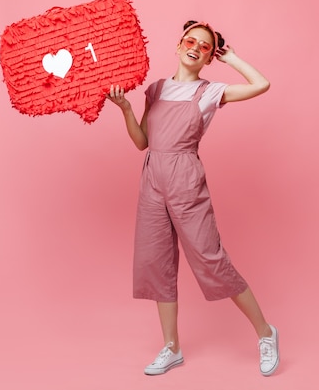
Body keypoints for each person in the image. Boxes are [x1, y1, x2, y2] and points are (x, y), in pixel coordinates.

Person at [106, 20, 279, 377]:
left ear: (208, 57)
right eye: (190, 40)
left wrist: (231, 57)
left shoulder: (211, 92)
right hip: (152, 177)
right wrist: (124, 109)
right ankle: (172, 347)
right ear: (178, 45)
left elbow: (262, 84)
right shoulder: (154, 89)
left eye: (204, 46)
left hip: (185, 177)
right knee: (156, 262)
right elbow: (142, 142)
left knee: (210, 259)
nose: (195, 47)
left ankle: (266, 333)